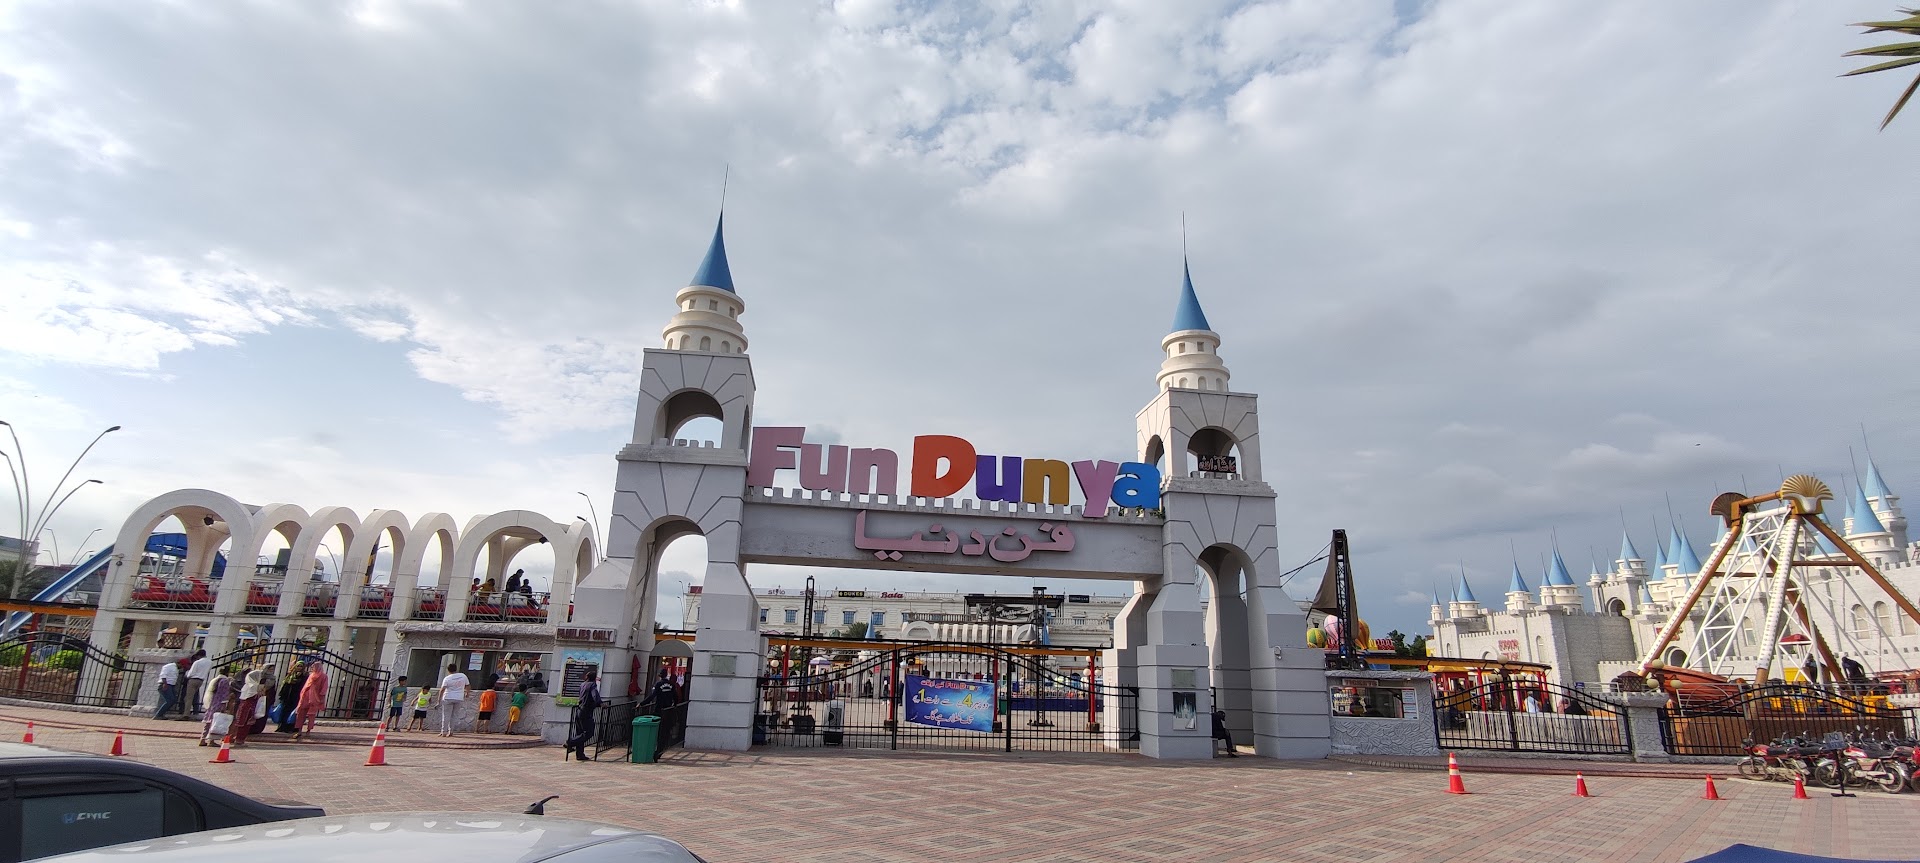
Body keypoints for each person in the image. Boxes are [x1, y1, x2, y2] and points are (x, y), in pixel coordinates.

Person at [564, 670, 602, 762]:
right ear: (594, 678)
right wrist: (600, 703)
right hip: (586, 711)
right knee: (589, 733)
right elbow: (595, 695)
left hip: (579, 710)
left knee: (580, 733)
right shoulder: (592, 685)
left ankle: (580, 754)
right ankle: (570, 742)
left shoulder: (582, 684)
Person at [199, 664, 236, 746]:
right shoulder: (225, 681)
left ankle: (203, 739)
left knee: (208, 722)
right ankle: (211, 741)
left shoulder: (215, 679)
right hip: (220, 704)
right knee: (215, 722)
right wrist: (225, 705)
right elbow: (224, 694)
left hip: (212, 703)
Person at [292, 663, 329, 741]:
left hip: (315, 697)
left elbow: (324, 687)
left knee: (311, 715)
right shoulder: (311, 675)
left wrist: (321, 696)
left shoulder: (324, 676)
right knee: (300, 713)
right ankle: (299, 730)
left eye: (313, 667)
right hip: (306, 696)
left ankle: (308, 730)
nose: (312, 668)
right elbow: (306, 685)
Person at [231, 667, 267, 747]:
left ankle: (236, 738)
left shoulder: (247, 685)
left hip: (244, 706)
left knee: (240, 723)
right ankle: (239, 740)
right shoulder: (254, 686)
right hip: (249, 708)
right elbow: (257, 696)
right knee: (245, 724)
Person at [438, 662, 470, 737]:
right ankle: (451, 731)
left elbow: (442, 689)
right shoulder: (463, 676)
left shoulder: (447, 678)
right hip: (459, 698)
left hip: (448, 697)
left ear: (448, 670)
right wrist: (467, 693)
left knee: (446, 715)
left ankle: (443, 732)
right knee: (454, 715)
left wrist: (439, 700)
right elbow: (468, 685)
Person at [275, 663, 308, 733]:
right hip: (287, 696)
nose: (299, 668)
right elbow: (285, 684)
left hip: (297, 697)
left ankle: (291, 727)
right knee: (284, 711)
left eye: (301, 666)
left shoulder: (304, 676)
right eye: (298, 666)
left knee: (294, 712)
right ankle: (281, 727)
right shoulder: (290, 675)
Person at [182, 650, 212, 721]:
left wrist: (187, 675)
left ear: (199, 655)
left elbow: (191, 673)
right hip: (201, 680)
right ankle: (192, 711)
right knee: (192, 697)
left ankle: (186, 714)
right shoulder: (210, 662)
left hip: (193, 679)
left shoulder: (197, 662)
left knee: (188, 698)